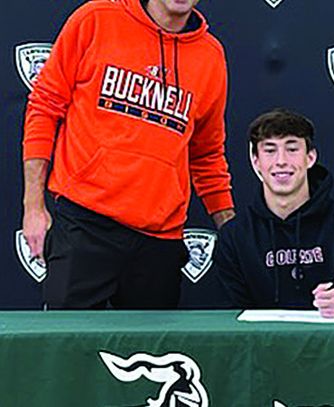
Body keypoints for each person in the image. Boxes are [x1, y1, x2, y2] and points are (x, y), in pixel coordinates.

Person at [22, 0, 235, 309]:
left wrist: (229, 228)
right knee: (67, 351)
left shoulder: (210, 56)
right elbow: (44, 108)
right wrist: (33, 206)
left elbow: (207, 154)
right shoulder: (95, 19)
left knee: (148, 356)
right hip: (85, 225)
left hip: (159, 240)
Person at [214, 109, 334, 318]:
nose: (281, 161)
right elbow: (229, 313)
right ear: (256, 161)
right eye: (270, 150)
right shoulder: (235, 235)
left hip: (332, 345)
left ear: (310, 157)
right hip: (261, 346)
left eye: (292, 149)